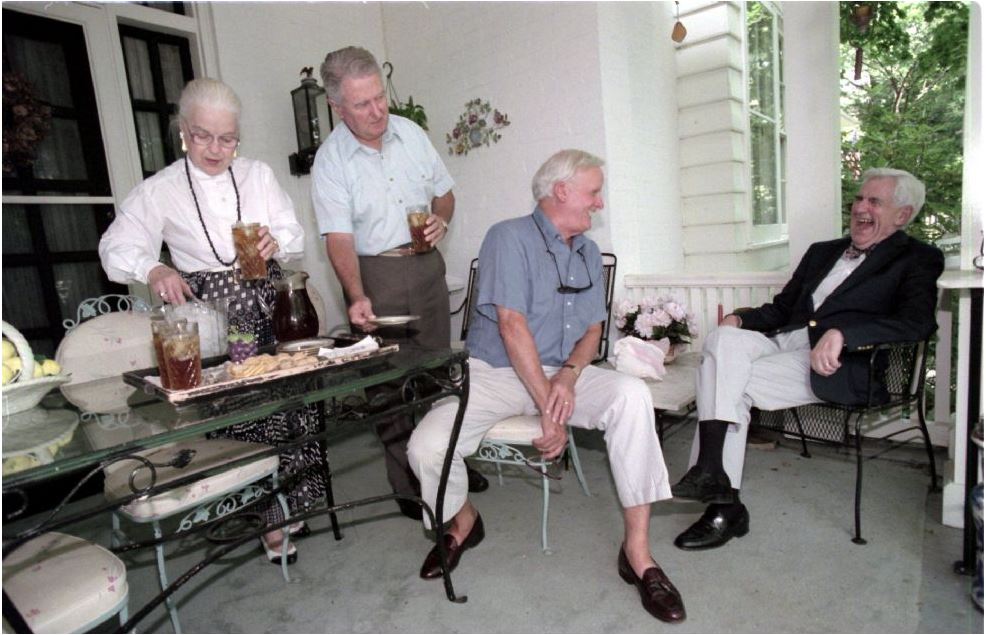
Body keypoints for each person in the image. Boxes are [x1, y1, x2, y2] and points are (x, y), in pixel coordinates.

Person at [406, 149, 687, 624]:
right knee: (426, 447)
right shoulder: (507, 237)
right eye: (594, 192)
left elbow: (593, 332)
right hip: (499, 371)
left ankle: (638, 555)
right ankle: (464, 520)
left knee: (631, 395)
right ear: (562, 191)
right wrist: (549, 408)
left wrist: (571, 374)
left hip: (563, 374)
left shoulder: (589, 252)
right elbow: (512, 326)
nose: (599, 203)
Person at [99, 78, 322, 565]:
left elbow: (293, 232)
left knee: (293, 404)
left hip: (273, 303)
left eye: (228, 138)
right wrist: (153, 268)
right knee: (248, 413)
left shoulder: (258, 174)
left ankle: (295, 504)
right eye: (203, 136)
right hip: (220, 319)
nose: (217, 149)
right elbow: (115, 247)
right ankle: (261, 516)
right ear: (183, 132)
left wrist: (274, 242)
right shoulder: (160, 189)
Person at [670, 167, 945, 550]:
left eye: (874, 201)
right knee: (723, 340)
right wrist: (741, 319)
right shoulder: (823, 252)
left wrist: (845, 335)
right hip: (783, 344)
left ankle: (721, 503)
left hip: (836, 363)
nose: (860, 208)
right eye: (859, 199)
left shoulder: (918, 258)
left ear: (902, 215)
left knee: (723, 380)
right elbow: (783, 309)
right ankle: (714, 474)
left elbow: (916, 323)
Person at [312, 46, 487, 520]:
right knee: (388, 386)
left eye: (380, 98)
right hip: (378, 273)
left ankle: (447, 465)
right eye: (362, 104)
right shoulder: (331, 162)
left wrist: (440, 222)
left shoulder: (410, 133)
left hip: (426, 266)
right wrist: (356, 293)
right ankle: (406, 485)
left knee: (438, 373)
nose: (377, 112)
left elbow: (445, 194)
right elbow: (339, 239)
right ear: (337, 106)